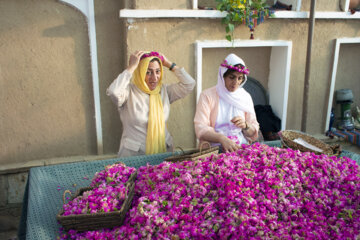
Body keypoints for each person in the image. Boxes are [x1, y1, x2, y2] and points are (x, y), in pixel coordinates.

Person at [107, 50, 196, 157]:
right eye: (148, 72)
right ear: (140, 71)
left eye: (157, 71)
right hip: (135, 156)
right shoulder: (128, 93)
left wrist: (169, 64)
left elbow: (189, 84)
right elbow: (113, 92)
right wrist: (131, 67)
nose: (154, 78)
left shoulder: (164, 91)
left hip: (163, 153)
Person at [194, 53, 259, 152]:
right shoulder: (207, 96)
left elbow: (253, 128)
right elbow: (201, 128)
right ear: (222, 76)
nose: (235, 83)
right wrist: (222, 138)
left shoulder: (245, 97)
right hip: (214, 150)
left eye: (240, 78)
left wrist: (245, 126)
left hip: (240, 148)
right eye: (232, 77)